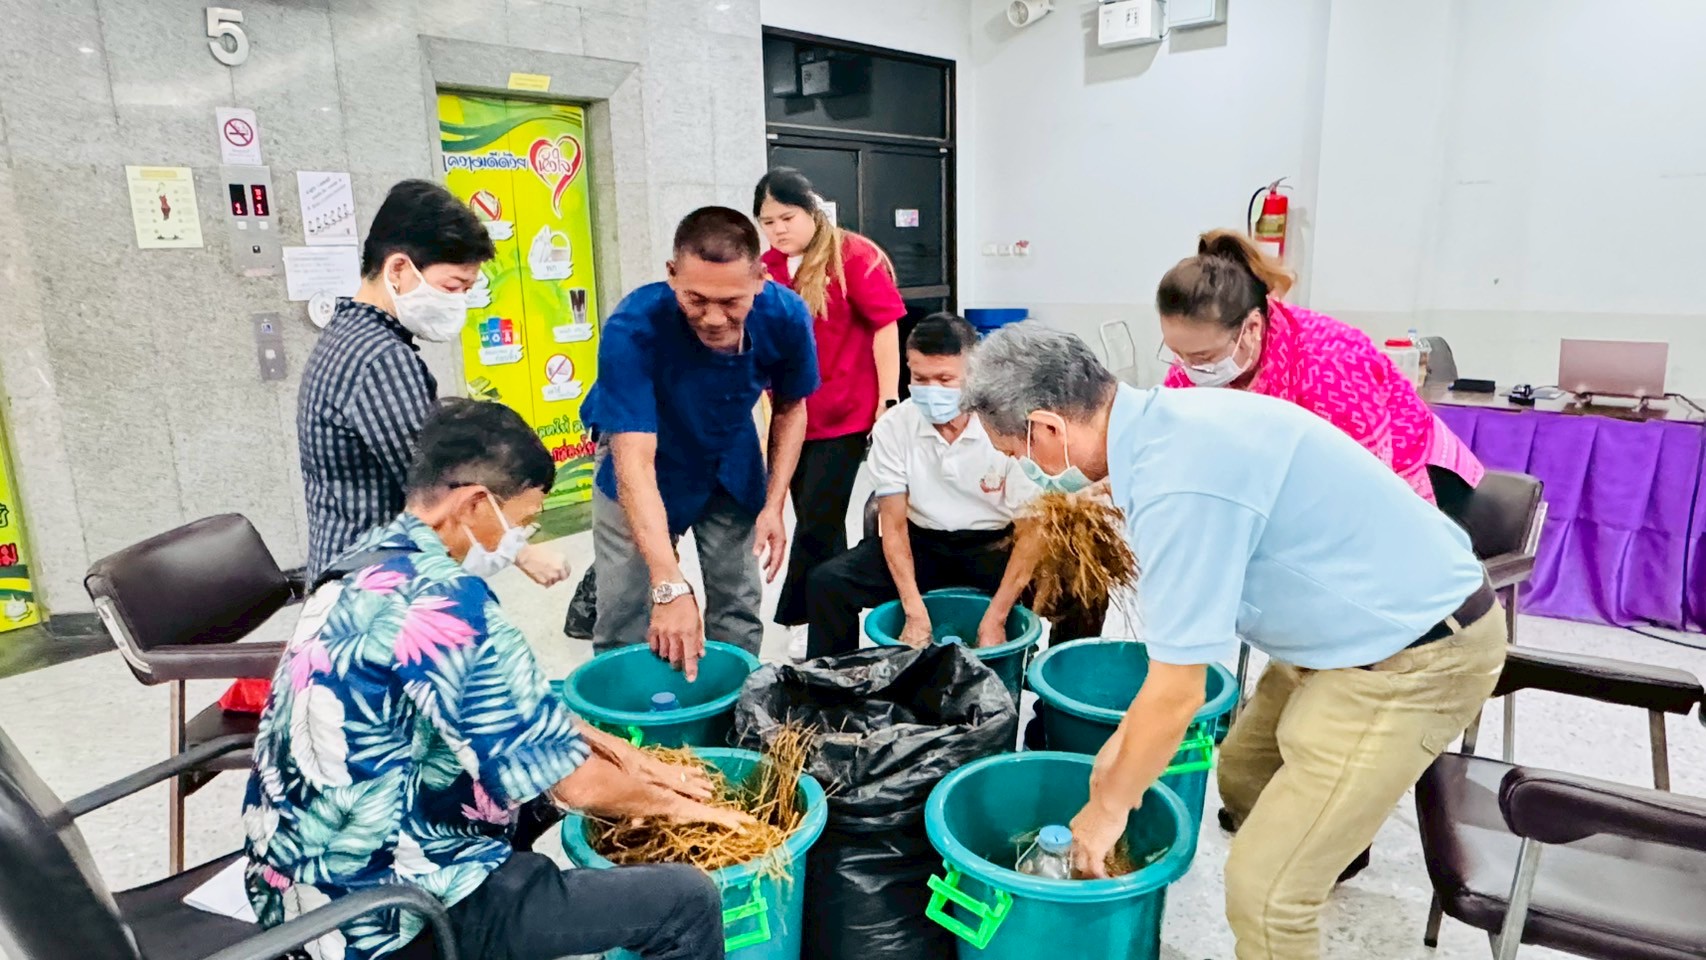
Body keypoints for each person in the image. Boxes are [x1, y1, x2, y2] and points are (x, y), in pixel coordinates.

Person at [960, 324, 1505, 960]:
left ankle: (1289, 898)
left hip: (1415, 654)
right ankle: (1314, 851)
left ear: (1048, 428)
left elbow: (1177, 692)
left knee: (1263, 891)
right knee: (1245, 773)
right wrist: (1115, 769)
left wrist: (1108, 811)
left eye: (1016, 454)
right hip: (1335, 637)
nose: (1028, 471)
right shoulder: (1164, 421)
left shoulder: (1179, 483)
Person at [245, 398, 745, 960]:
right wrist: (686, 808)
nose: (523, 538)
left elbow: (522, 711)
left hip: (294, 881)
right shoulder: (450, 612)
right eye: (526, 520)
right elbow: (576, 787)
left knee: (553, 786)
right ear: (475, 504)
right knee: (684, 901)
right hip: (388, 916)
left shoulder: (364, 564)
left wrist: (632, 758)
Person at [582, 206, 819, 679]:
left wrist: (774, 504)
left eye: (731, 302)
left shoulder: (787, 316)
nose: (713, 317)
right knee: (626, 607)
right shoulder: (634, 325)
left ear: (759, 277)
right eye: (695, 299)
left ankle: (736, 706)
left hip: (729, 458)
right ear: (671, 275)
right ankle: (629, 719)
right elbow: (634, 461)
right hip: (646, 461)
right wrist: (668, 583)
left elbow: (792, 407)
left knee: (738, 603)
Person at [298, 179, 568, 586]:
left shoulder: (349, 334)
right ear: (399, 269)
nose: (458, 303)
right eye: (452, 287)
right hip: (374, 580)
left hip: (347, 562)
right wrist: (518, 548)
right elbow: (439, 485)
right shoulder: (381, 360)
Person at [805, 313, 1093, 658]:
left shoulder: (1007, 426)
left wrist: (995, 617)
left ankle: (1050, 695)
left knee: (1086, 592)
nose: (931, 391)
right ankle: (836, 694)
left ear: (973, 375)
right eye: (920, 378)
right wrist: (913, 610)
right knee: (827, 583)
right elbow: (893, 527)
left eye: (944, 379)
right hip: (921, 545)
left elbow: (1030, 533)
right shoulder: (895, 427)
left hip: (996, 546)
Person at [1156, 229, 1482, 510]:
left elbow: (1366, 488)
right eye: (1178, 354)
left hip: (1410, 478)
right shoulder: (1193, 362)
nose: (1188, 368)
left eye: (1202, 355)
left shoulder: (1331, 362)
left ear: (1253, 328)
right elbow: (1172, 438)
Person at [756, 168, 906, 659]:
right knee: (818, 518)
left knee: (817, 519)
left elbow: (886, 327)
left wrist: (888, 400)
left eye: (786, 217)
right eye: (767, 221)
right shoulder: (766, 268)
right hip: (792, 415)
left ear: (811, 211)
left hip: (846, 414)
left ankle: (799, 613)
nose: (778, 229)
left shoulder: (853, 257)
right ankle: (831, 609)